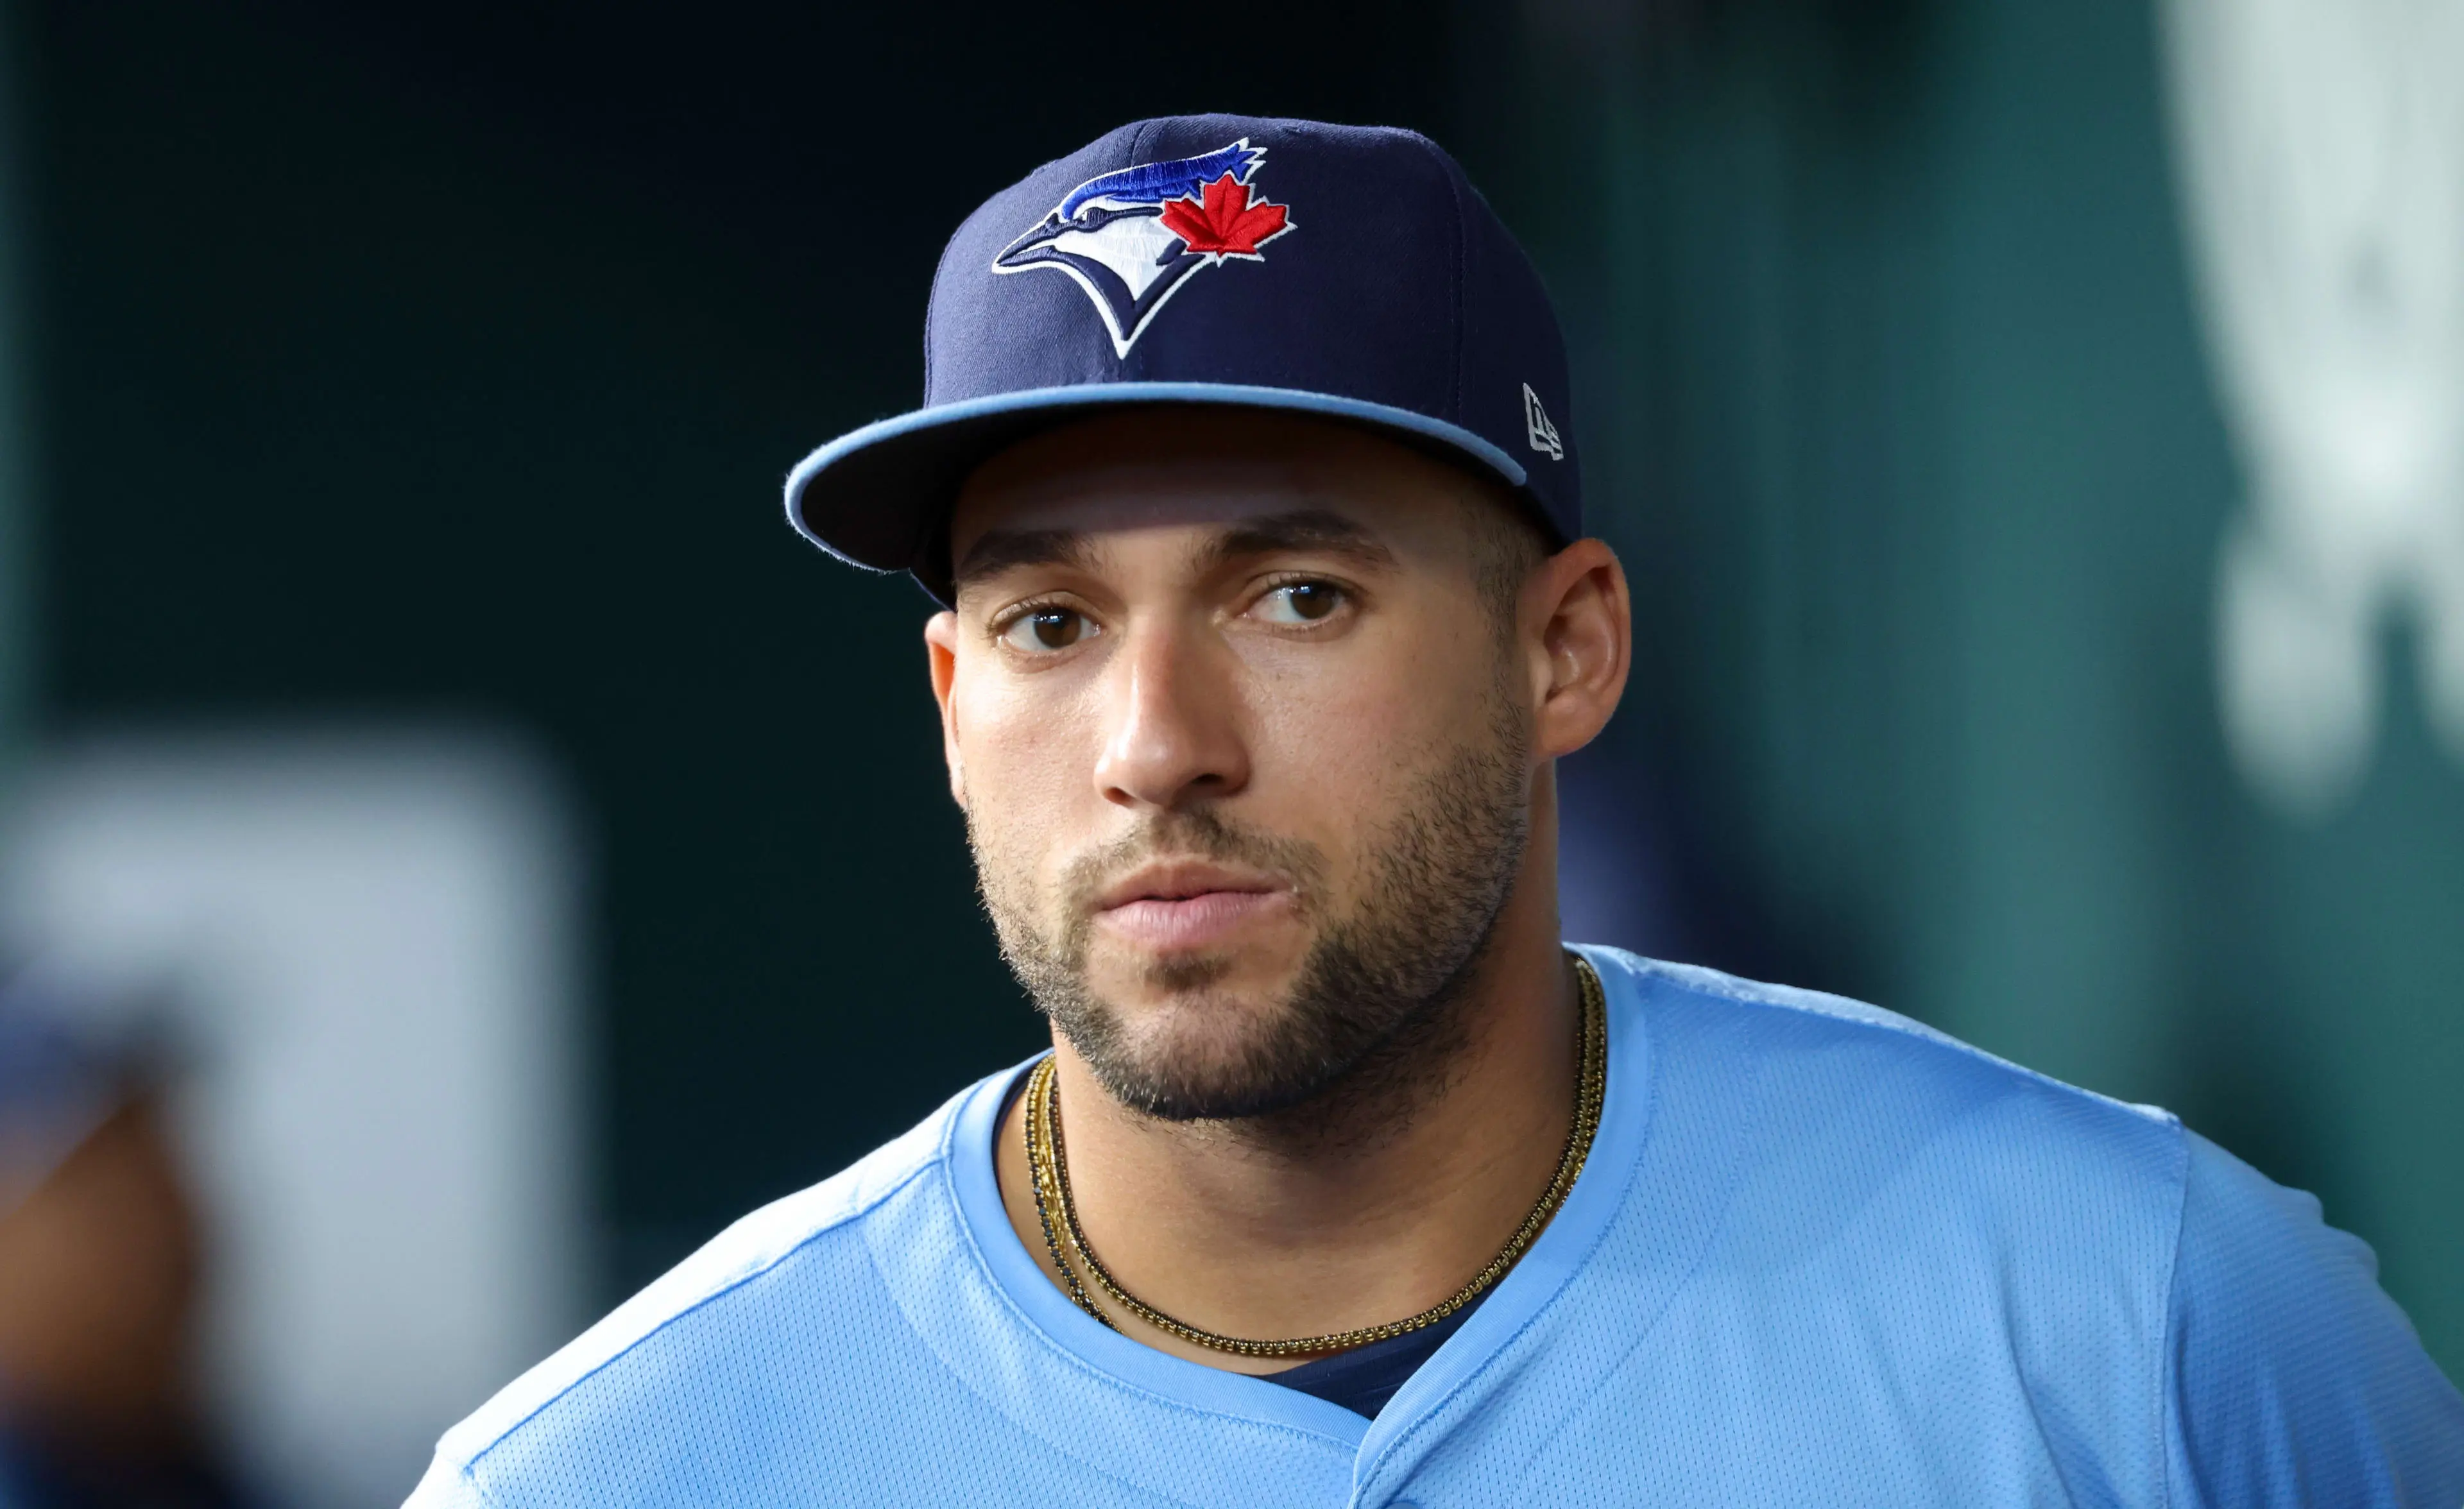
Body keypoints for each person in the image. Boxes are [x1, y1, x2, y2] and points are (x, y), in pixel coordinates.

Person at [406, 115, 2464, 1506]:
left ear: (1566, 649)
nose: (1155, 744)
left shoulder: (2141, 1325)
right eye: (1049, 623)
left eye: (1297, 596)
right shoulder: (616, 1475)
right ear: (953, 706)